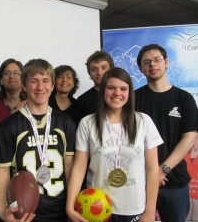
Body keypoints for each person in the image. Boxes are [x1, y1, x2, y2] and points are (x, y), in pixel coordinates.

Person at [66, 67, 163, 222]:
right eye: (111, 88)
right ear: (103, 91)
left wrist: (150, 211)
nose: (117, 93)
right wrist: (70, 207)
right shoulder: (88, 123)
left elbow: (152, 170)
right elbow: (79, 167)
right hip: (97, 208)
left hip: (135, 208)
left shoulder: (144, 121)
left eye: (123, 89)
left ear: (129, 92)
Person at [0, 59, 76, 222]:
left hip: (60, 210)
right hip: (24, 213)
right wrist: (2, 209)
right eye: (34, 81)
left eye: (46, 81)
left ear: (52, 85)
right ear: (24, 86)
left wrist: (72, 206)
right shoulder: (9, 126)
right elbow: (3, 171)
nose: (40, 87)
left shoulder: (65, 122)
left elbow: (69, 166)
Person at [135, 44, 198, 222]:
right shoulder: (133, 99)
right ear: (141, 68)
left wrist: (162, 169)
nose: (152, 65)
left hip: (174, 182)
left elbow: (189, 137)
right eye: (146, 62)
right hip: (141, 181)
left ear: (166, 63)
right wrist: (151, 173)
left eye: (157, 60)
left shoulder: (184, 98)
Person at [0, 58, 26, 124]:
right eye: (6, 73)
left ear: (23, 79)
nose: (11, 76)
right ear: (1, 80)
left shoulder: (32, 104)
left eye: (16, 73)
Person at [77, 50, 114, 118]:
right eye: (94, 69)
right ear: (89, 73)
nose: (99, 73)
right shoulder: (82, 101)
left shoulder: (121, 96)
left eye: (103, 68)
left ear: (111, 69)